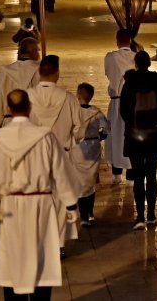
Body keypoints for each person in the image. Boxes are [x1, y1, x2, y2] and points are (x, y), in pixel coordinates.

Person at [0, 89, 81, 301]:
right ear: (30, 107)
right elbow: (60, 172)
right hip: (41, 204)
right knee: (42, 260)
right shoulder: (45, 136)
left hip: (11, 208)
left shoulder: (0, 137)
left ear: (8, 109)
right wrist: (70, 205)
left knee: (14, 260)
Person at [27, 55, 85, 248]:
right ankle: (58, 243)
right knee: (60, 200)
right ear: (57, 73)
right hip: (62, 154)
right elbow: (79, 129)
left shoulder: (27, 97)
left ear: (39, 73)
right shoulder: (68, 99)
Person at [120, 50, 157, 230]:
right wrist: (154, 123)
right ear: (149, 63)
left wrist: (133, 125)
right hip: (154, 134)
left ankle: (139, 216)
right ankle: (152, 215)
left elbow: (124, 110)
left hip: (135, 134)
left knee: (138, 176)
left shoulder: (129, 84)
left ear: (136, 63)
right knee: (151, 175)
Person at [72, 83, 109, 227]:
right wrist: (100, 136)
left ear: (78, 96)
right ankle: (90, 212)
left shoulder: (74, 111)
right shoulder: (96, 112)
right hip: (93, 148)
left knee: (81, 182)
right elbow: (106, 127)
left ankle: (84, 216)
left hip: (78, 149)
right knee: (91, 180)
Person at [104, 29, 136, 183]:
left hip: (117, 101)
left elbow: (108, 73)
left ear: (117, 41)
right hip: (132, 103)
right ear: (130, 40)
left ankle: (116, 173)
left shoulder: (110, 57)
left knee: (116, 136)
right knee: (131, 136)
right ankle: (131, 172)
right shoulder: (137, 57)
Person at [0, 38, 40, 129]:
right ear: (33, 51)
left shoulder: (7, 71)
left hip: (10, 123)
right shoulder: (39, 70)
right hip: (33, 122)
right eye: (38, 50)